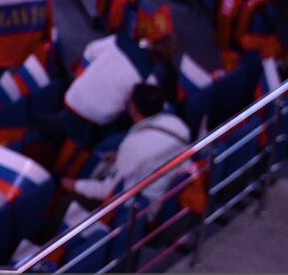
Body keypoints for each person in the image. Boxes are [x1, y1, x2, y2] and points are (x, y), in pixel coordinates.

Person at [60, 84, 191, 203]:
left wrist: (74, 185)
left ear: (133, 109)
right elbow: (159, 156)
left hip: (141, 210)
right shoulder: (179, 125)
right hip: (169, 194)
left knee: (67, 202)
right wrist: (122, 158)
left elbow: (107, 191)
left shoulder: (132, 146)